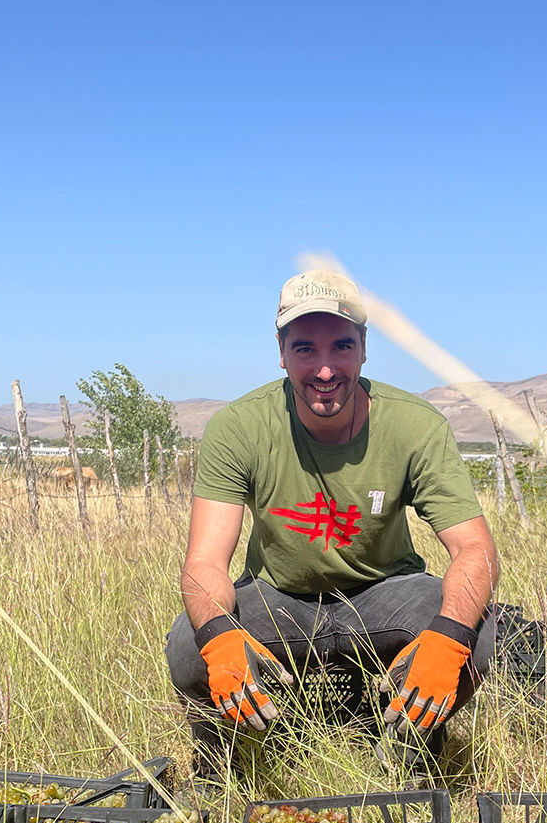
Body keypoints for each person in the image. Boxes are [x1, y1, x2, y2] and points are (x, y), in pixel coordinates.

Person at [165, 269, 500, 779]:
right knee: (190, 646)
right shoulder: (239, 427)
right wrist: (219, 638)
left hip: (384, 592)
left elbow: (475, 549)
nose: (324, 369)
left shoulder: (415, 425)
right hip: (280, 598)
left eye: (341, 346)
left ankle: (407, 752)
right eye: (305, 349)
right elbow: (204, 562)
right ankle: (228, 763)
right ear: (281, 352)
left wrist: (448, 639)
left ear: (363, 348)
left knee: (476, 633)